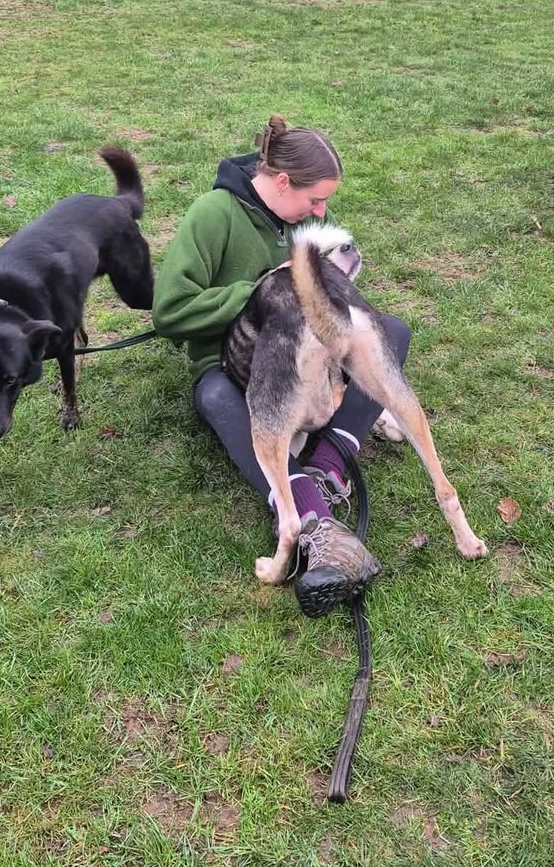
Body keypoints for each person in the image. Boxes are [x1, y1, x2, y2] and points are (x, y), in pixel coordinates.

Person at [152, 115, 411, 612]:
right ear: (282, 180)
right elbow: (170, 310)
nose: (323, 210)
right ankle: (312, 520)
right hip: (234, 364)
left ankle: (328, 467)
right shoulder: (213, 214)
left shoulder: (300, 221)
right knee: (213, 397)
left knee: (392, 332)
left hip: (309, 358)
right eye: (315, 199)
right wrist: (257, 291)